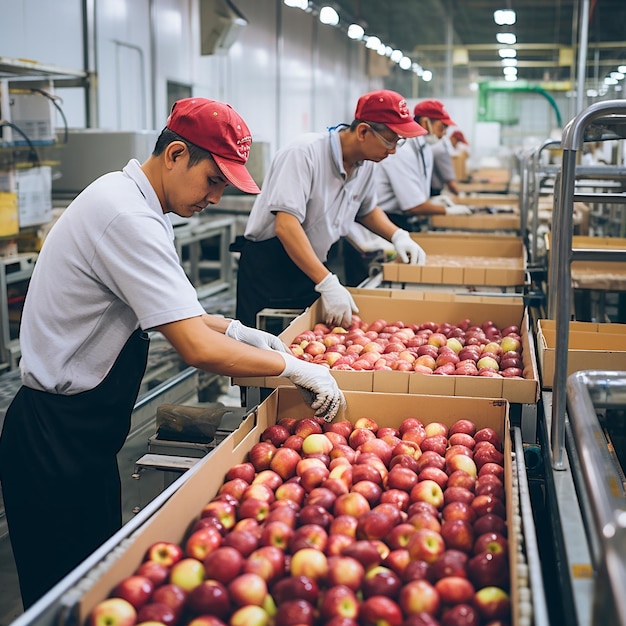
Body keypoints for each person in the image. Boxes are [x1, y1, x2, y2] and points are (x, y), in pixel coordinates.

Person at [0, 98, 345, 609]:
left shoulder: (136, 203)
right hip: (56, 438)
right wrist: (295, 368)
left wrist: (238, 330)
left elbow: (175, 311)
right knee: (65, 602)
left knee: (95, 586)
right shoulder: (126, 217)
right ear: (176, 154)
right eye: (212, 180)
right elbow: (195, 348)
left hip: (83, 433)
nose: (215, 196)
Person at [233, 90, 428, 330]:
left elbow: (366, 210)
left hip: (313, 265)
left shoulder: (366, 165)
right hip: (272, 265)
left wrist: (398, 235)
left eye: (400, 141)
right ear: (363, 131)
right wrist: (327, 282)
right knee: (261, 349)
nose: (393, 150)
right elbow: (286, 225)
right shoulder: (304, 154)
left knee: (303, 345)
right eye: (391, 140)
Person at [375, 99, 471, 233]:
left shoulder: (425, 149)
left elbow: (416, 194)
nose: (444, 134)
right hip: (389, 220)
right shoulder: (403, 150)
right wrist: (447, 211)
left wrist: (431, 200)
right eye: (441, 128)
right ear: (425, 122)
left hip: (408, 219)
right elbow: (412, 206)